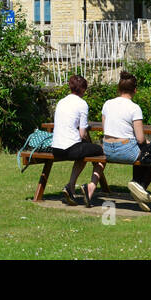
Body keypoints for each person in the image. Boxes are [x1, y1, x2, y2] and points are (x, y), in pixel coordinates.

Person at [100, 70, 151, 211]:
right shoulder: (134, 108)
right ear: (135, 90)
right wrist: (148, 143)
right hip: (125, 150)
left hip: (106, 149)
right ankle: (139, 186)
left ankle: (138, 189)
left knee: (141, 151)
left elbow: (105, 129)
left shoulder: (107, 104)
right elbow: (140, 138)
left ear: (118, 89)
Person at [50, 74, 105, 206]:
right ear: (83, 90)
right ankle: (89, 186)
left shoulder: (61, 102)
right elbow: (82, 133)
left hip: (56, 148)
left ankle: (70, 186)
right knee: (101, 152)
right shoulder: (82, 104)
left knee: (84, 151)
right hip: (70, 148)